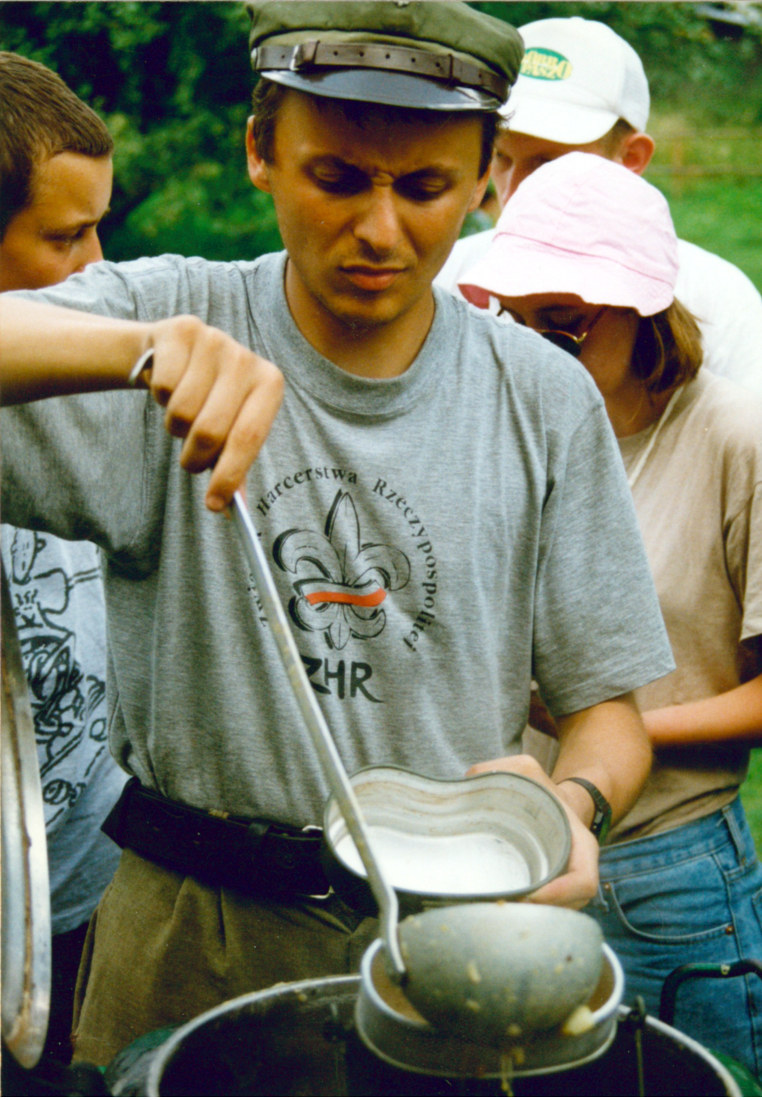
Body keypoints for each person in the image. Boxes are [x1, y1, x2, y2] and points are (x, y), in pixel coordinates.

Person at [1, 1, 674, 1067]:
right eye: (338, 177)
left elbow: (609, 713)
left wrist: (572, 803)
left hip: (450, 951)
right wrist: (130, 351)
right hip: (186, 934)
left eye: (426, 188)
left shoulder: (542, 398)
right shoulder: (167, 327)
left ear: (489, 181)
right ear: (261, 152)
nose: (380, 230)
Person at [459, 150, 762, 1077]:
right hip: (515, 863)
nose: (532, 354)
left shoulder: (735, 438)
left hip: (668, 877)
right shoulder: (504, 431)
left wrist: (611, 728)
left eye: (564, 326)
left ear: (646, 312)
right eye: (513, 323)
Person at [0, 51, 127, 1072]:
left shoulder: (88, 388)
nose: (97, 264)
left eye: (99, 227)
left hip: (85, 895)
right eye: (63, 236)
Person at [436, 16, 762, 396]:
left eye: (547, 165)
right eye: (501, 158)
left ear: (631, 158)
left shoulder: (719, 302)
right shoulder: (448, 277)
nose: (514, 190)